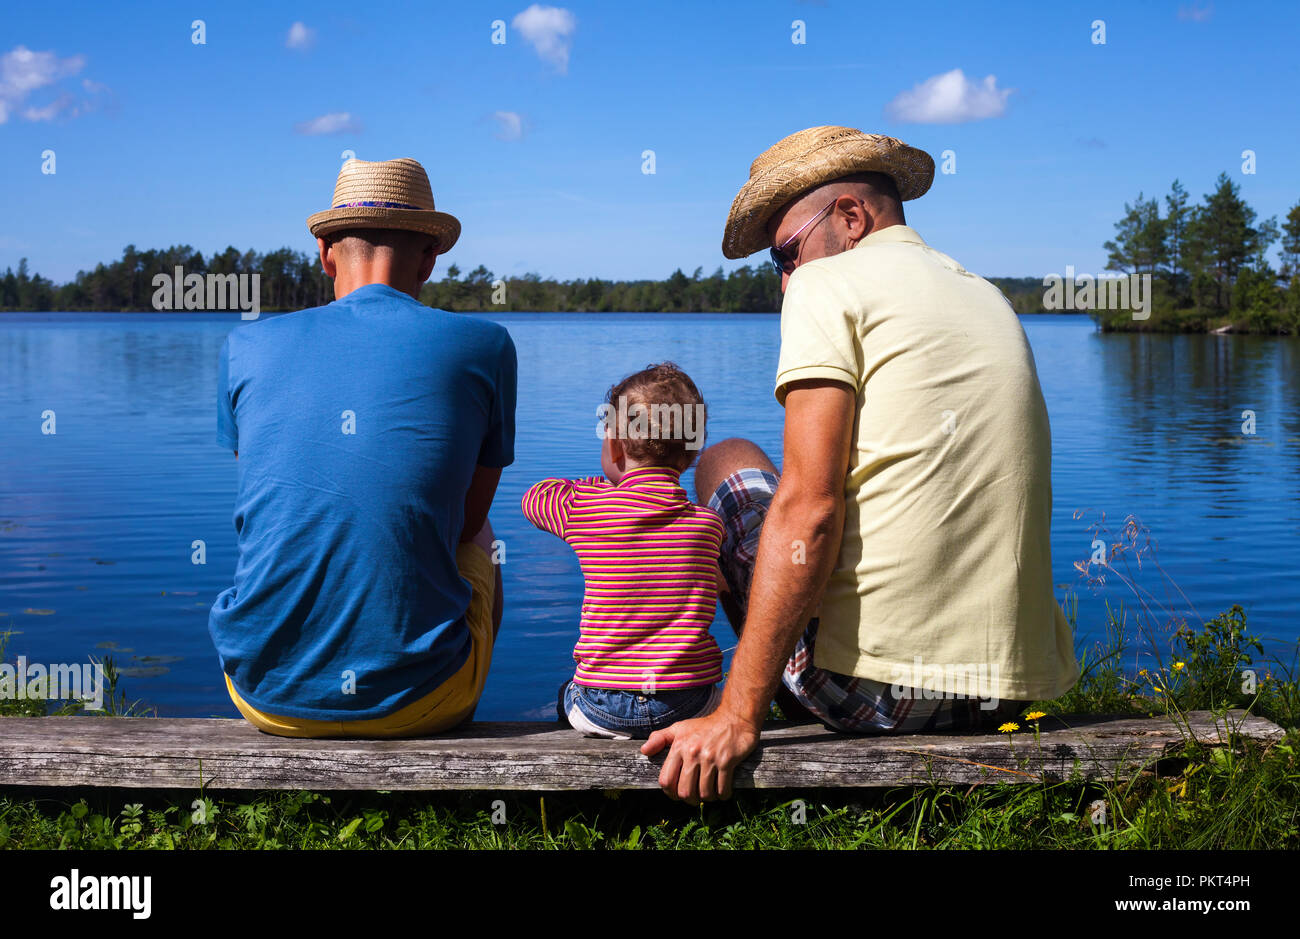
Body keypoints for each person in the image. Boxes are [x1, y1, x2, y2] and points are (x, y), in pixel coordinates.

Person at [642, 126, 1080, 801]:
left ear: (850, 217)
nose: (787, 283)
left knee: (729, 459)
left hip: (876, 700)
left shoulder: (829, 286)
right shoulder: (986, 295)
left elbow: (810, 511)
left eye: (786, 254)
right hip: (1010, 692)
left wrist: (735, 716)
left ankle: (733, 697)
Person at [209, 157, 517, 738]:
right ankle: (441, 697)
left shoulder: (245, 345)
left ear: (324, 252)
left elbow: (264, 491)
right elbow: (467, 521)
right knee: (485, 536)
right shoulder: (485, 345)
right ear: (430, 257)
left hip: (261, 694)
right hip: (418, 704)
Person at [522, 363, 725, 739]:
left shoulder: (583, 508)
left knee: (566, 693)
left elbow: (535, 496)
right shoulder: (708, 525)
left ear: (615, 446)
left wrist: (598, 487)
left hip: (603, 705)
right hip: (688, 702)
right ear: (693, 455)